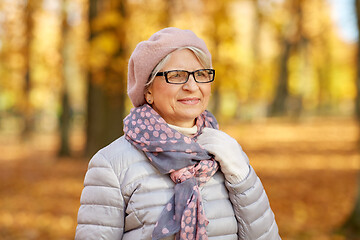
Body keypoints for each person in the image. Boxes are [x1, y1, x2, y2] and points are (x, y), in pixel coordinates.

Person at [75, 27, 281, 240]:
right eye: (177, 75)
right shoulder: (111, 165)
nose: (192, 86)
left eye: (200, 74)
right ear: (148, 90)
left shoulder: (225, 152)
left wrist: (242, 178)